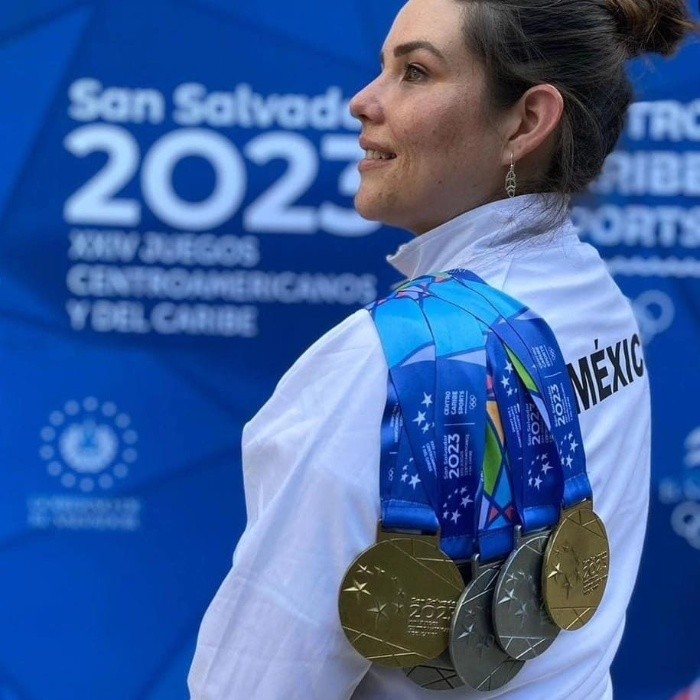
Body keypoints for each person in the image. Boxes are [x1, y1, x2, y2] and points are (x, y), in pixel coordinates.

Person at [188, 0, 695, 698]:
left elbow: (255, 685)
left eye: (415, 72)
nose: (363, 102)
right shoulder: (595, 296)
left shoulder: (380, 365)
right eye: (383, 68)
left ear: (526, 122)